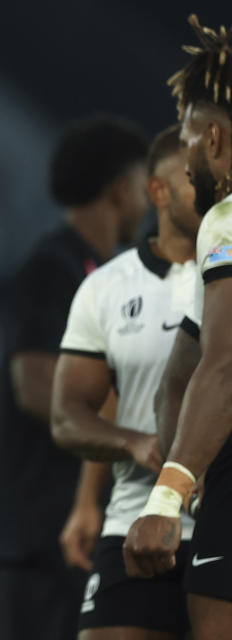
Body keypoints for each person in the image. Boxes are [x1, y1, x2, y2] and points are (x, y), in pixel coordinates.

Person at [0, 116, 149, 640]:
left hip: (71, 529)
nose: (150, 200)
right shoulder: (53, 267)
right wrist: (133, 415)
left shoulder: (98, 270)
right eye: (144, 185)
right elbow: (35, 386)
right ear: (121, 189)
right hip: (40, 533)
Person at [51, 124, 199, 639]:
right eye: (192, 176)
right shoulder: (106, 287)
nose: (212, 184)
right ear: (157, 191)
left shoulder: (223, 273)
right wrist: (129, 448)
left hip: (218, 518)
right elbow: (73, 414)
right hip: (134, 518)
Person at [123, 15, 232, 640]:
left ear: (214, 137)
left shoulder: (224, 215)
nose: (187, 156)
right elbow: (183, 370)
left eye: (189, 136)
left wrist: (167, 497)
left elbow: (222, 365)